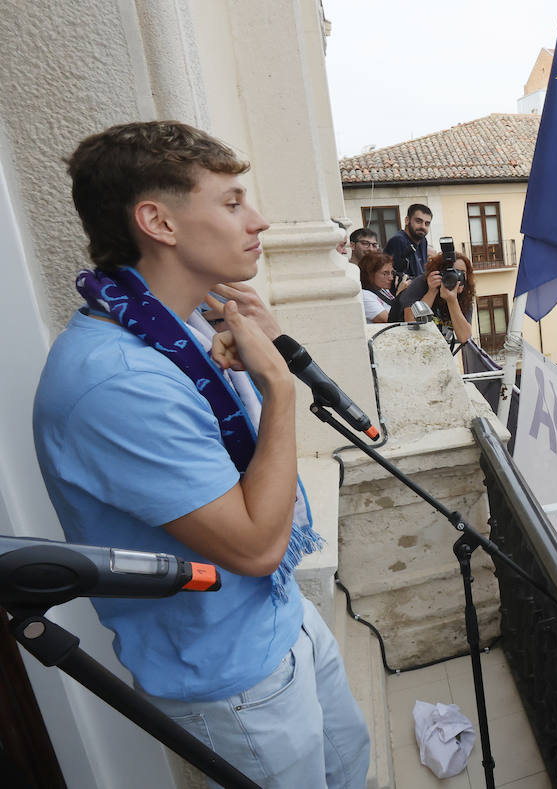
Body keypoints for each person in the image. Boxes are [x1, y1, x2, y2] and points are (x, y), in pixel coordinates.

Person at [33, 121, 369, 788]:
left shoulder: (181, 327)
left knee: (352, 768)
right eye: (232, 202)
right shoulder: (118, 382)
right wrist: (277, 388)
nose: (260, 221)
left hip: (278, 617)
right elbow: (252, 545)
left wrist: (265, 351)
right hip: (233, 671)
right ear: (158, 221)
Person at [384, 203, 432, 280]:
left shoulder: (423, 241)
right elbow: (401, 279)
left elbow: (422, 273)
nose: (423, 227)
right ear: (407, 220)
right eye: (418, 221)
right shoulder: (398, 241)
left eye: (427, 223)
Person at [357, 250, 398, 324]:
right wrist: (401, 295)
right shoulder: (364, 295)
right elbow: (389, 321)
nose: (391, 278)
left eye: (392, 273)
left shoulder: (383, 290)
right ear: (370, 274)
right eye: (385, 273)